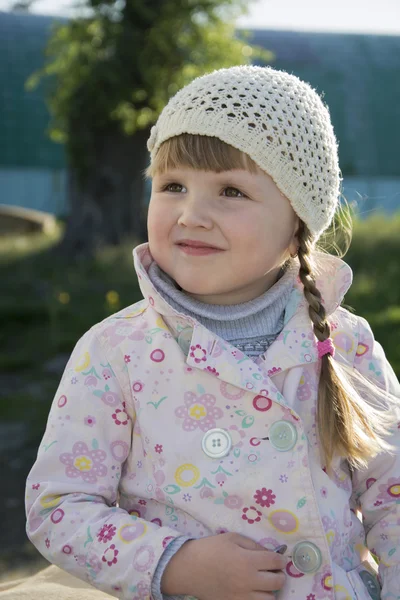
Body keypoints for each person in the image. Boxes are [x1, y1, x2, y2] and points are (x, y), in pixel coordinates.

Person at [24, 65, 400, 600]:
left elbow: (393, 496)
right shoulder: (116, 352)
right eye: (172, 185)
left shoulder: (345, 344)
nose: (192, 214)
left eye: (230, 190)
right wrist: (173, 564)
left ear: (297, 222)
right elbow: (58, 507)